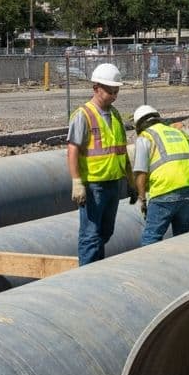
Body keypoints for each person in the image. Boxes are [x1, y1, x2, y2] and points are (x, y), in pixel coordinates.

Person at [67, 63, 134, 265]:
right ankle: (86, 272)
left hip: (113, 182)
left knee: (106, 231)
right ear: (96, 89)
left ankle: (96, 266)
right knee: (91, 234)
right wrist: (77, 182)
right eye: (110, 91)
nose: (114, 95)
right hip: (94, 184)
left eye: (116, 91)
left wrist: (130, 180)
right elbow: (72, 150)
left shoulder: (115, 114)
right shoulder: (83, 115)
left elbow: (121, 150)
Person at [131, 104, 189, 245]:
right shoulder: (180, 133)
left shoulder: (145, 137)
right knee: (181, 237)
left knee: (151, 238)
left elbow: (140, 172)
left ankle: (148, 266)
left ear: (139, 125)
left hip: (165, 190)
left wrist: (142, 198)